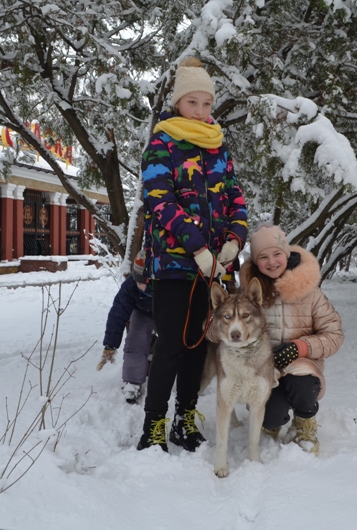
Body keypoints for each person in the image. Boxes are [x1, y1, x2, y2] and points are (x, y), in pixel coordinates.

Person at [138, 56, 248, 451]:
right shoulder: (163, 142)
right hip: (174, 265)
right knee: (170, 344)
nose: (201, 112)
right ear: (178, 102)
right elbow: (159, 201)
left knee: (198, 344)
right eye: (193, 103)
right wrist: (198, 248)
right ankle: (154, 426)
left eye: (207, 104)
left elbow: (236, 198)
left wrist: (235, 238)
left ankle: (185, 418)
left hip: (215, 269)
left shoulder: (218, 147)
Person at [239, 223, 343, 455]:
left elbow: (334, 335)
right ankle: (272, 421)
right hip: (265, 370)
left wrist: (301, 347)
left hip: (302, 365)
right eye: (263, 257)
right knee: (269, 417)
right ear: (256, 261)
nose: (272, 261)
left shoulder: (310, 292)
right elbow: (224, 329)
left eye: (277, 254)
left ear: (286, 254)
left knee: (303, 383)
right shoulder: (248, 293)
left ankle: (304, 424)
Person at [97, 251, 154, 404]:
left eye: (144, 281)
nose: (140, 284)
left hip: (168, 312)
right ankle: (132, 382)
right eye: (138, 279)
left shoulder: (168, 285)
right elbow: (117, 314)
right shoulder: (130, 286)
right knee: (136, 339)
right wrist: (110, 345)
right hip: (143, 313)